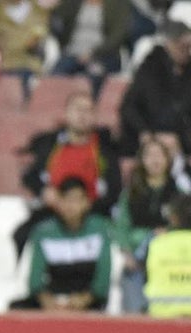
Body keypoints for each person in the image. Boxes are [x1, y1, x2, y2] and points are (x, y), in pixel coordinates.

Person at [16, 90, 121, 254]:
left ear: (95, 116)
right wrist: (44, 191)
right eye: (78, 109)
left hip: (93, 212)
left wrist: (82, 205)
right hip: (54, 211)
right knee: (21, 235)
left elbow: (114, 189)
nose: (82, 115)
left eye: (88, 110)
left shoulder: (105, 150)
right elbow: (30, 176)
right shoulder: (49, 145)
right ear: (67, 113)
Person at [118, 19, 191, 156]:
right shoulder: (150, 69)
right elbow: (128, 107)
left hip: (186, 140)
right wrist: (145, 132)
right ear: (168, 44)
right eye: (178, 45)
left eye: (187, 46)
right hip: (151, 137)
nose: (183, 50)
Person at [12, 175, 114, 312]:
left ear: (87, 202)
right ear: (58, 202)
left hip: (88, 301)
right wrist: (47, 301)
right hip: (53, 300)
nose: (70, 206)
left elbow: (102, 280)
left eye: (75, 200)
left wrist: (84, 299)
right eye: (65, 199)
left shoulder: (100, 231)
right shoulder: (44, 233)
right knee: (17, 308)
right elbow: (35, 280)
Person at [113, 135, 180, 255]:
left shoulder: (179, 193)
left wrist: (168, 232)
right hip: (135, 251)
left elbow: (188, 226)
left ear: (168, 159)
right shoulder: (130, 193)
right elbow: (121, 227)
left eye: (159, 155)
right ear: (142, 160)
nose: (155, 160)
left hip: (169, 252)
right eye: (150, 155)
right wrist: (127, 253)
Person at [48, 0, 130, 98]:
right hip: (72, 53)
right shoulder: (72, 3)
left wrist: (93, 53)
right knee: (55, 77)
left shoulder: (119, 4)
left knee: (92, 78)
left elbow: (117, 37)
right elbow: (57, 19)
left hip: (102, 56)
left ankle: (88, 106)